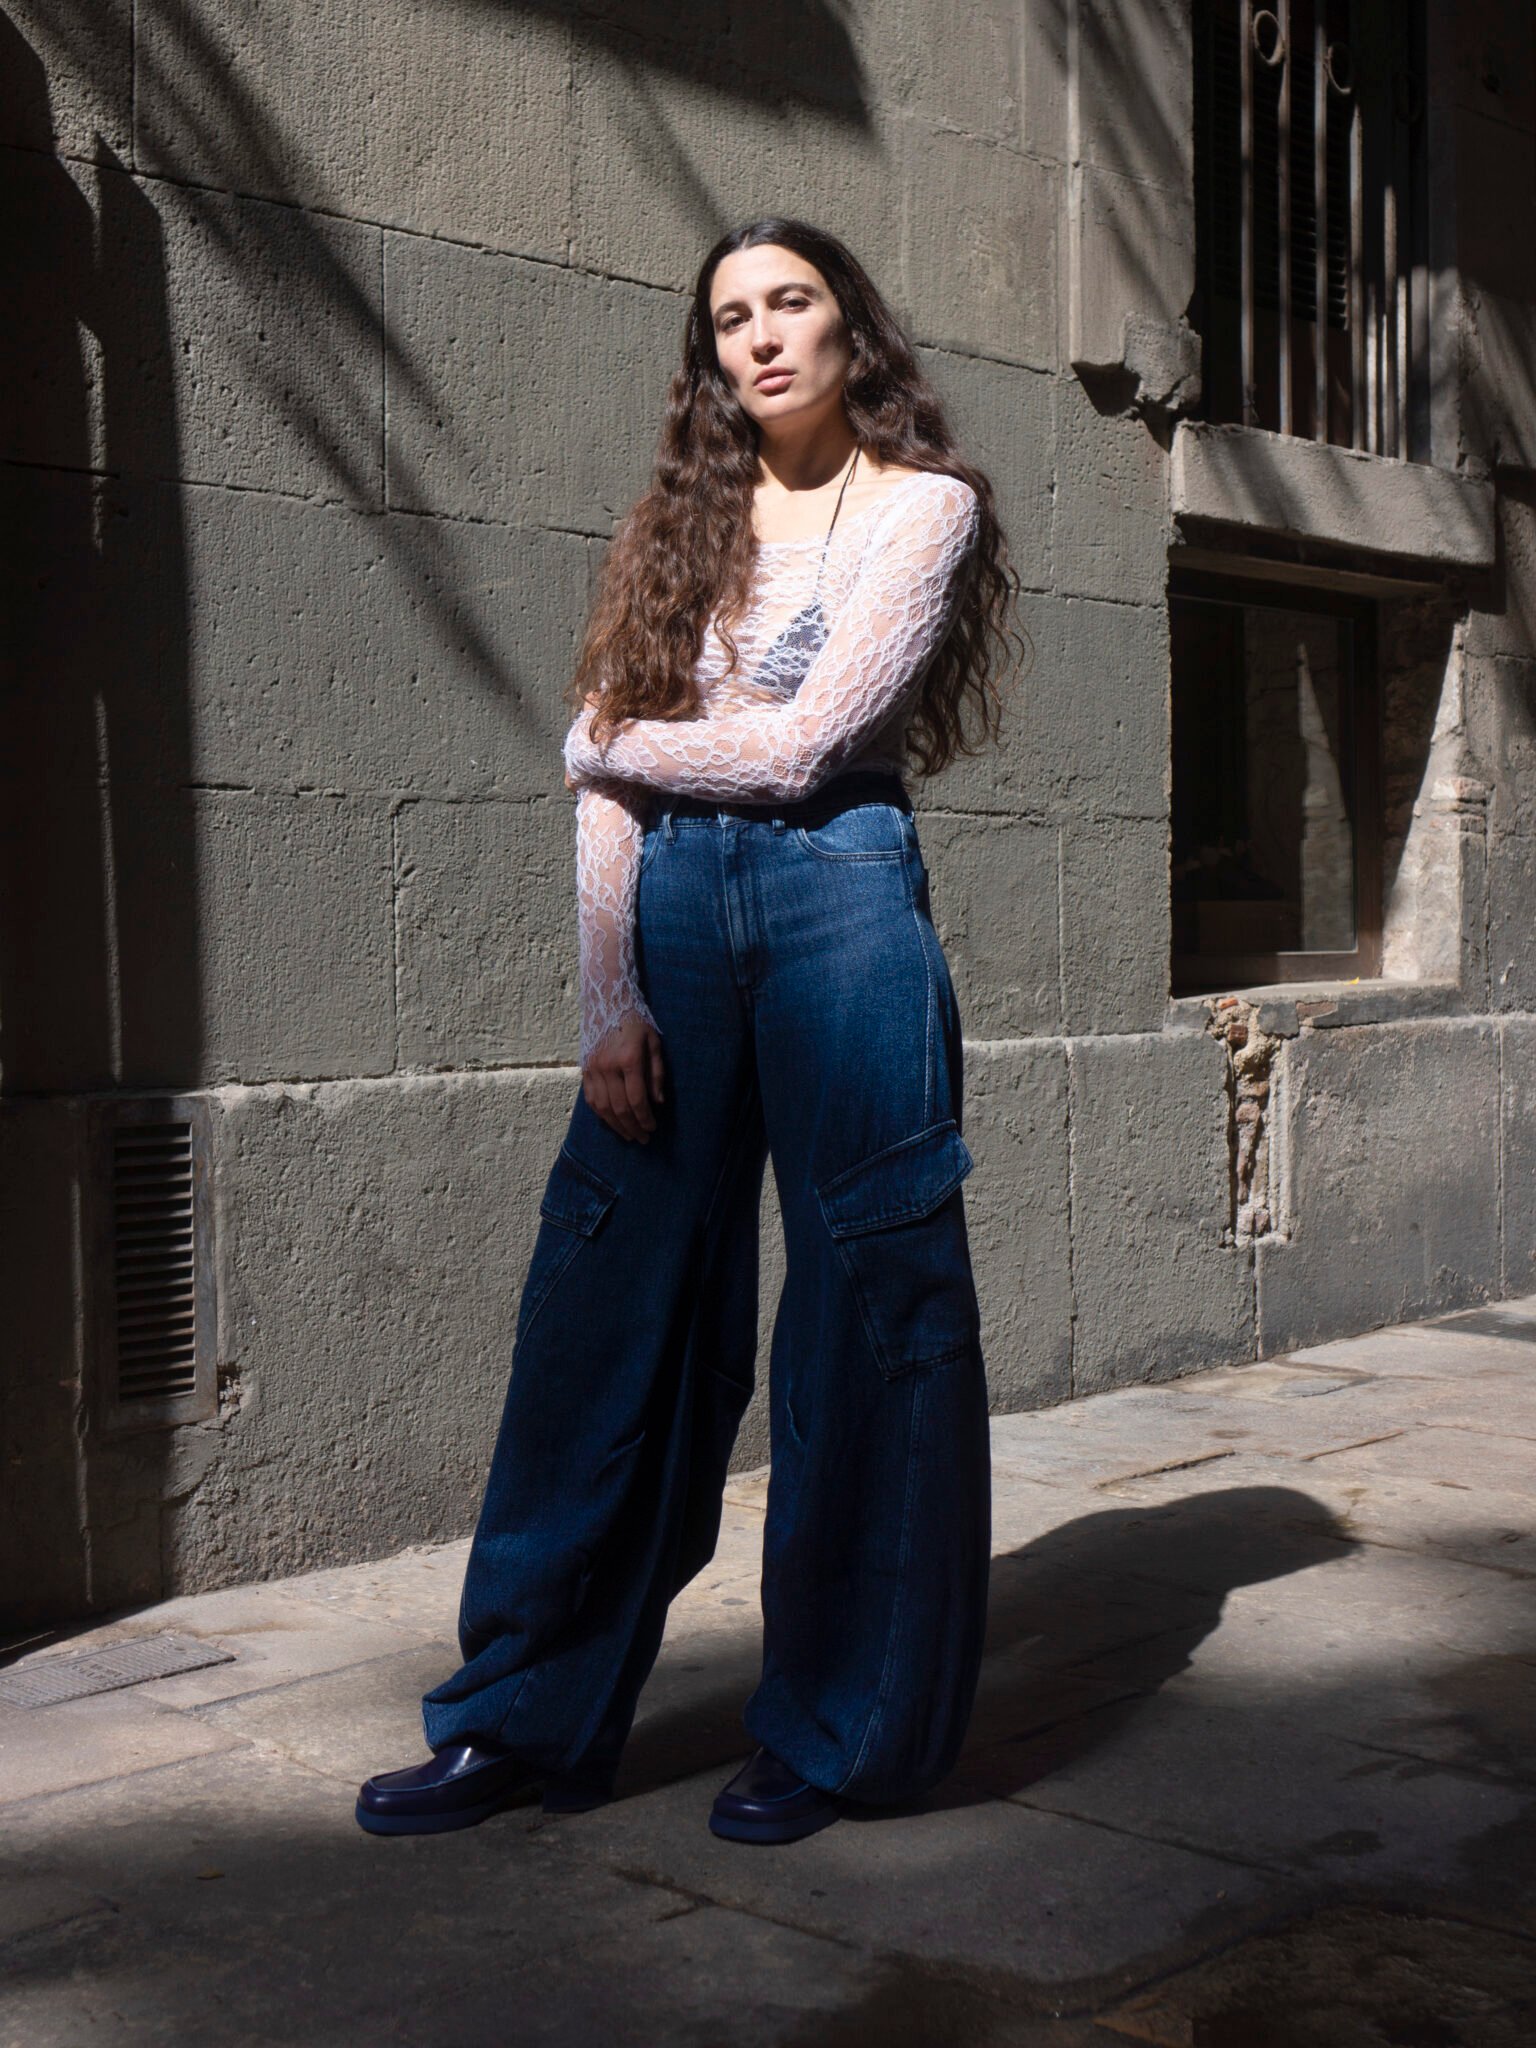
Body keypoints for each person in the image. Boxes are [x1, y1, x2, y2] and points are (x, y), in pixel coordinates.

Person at [355, 217, 1025, 1847]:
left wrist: (622, 747)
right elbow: (599, 789)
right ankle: (523, 1717)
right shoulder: (674, 523)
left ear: (850, 324)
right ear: (711, 356)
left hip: (838, 903)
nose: (762, 336)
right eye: (732, 317)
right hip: (668, 923)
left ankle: (846, 1729)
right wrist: (608, 1003)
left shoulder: (924, 508)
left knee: (874, 1299)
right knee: (604, 1310)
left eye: (791, 301)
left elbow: (802, 749)